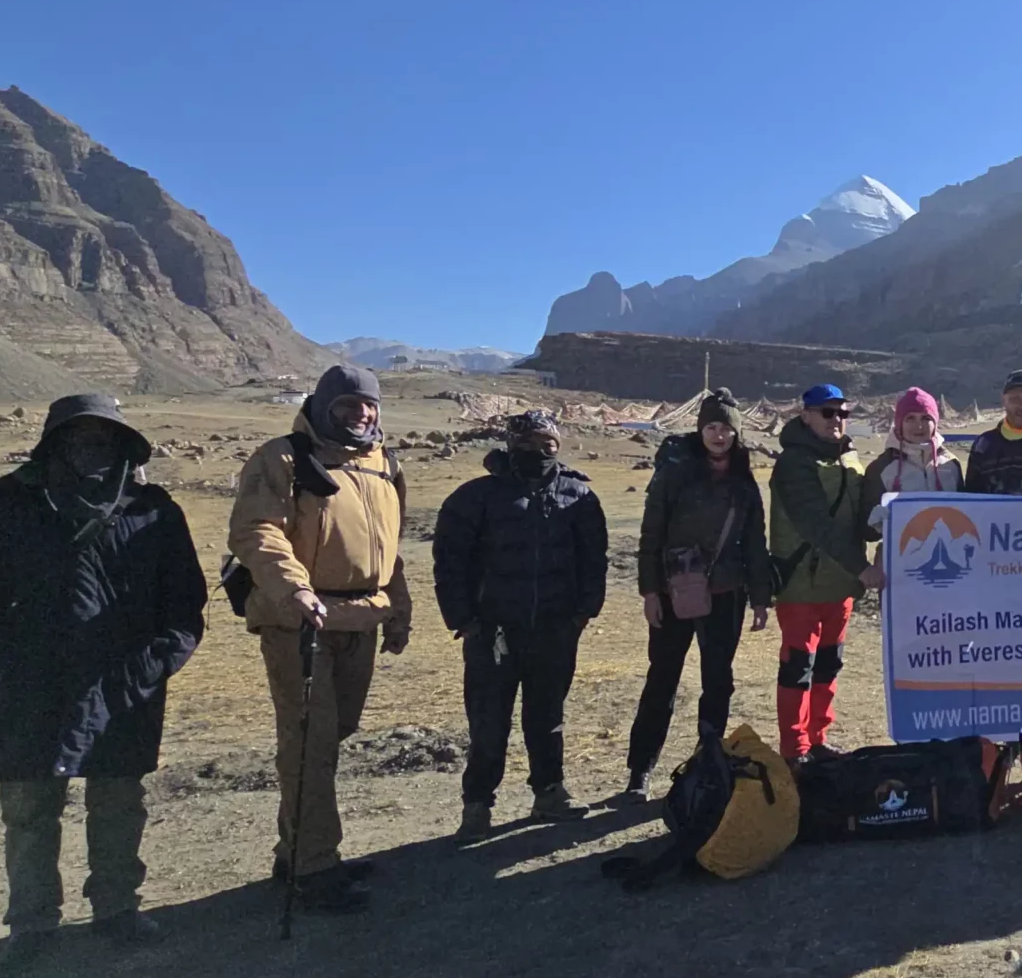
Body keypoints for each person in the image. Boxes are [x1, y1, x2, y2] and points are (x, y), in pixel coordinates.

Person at [0, 394, 206, 973]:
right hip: (27, 687)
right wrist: (2, 664)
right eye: (77, 440)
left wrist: (151, 668)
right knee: (28, 808)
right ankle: (31, 924)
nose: (90, 451)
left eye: (103, 439)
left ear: (123, 446)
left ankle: (117, 908)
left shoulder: (153, 513)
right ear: (54, 445)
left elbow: (184, 606)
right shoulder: (3, 513)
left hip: (121, 687)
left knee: (119, 802)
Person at [227, 364, 411, 913]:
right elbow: (256, 531)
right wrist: (294, 589)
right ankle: (312, 867)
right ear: (322, 406)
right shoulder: (282, 458)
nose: (360, 413)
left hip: (361, 619)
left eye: (368, 404)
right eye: (347, 404)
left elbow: (390, 549)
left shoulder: (385, 464)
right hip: (301, 622)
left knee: (333, 735)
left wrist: (398, 611)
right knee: (310, 741)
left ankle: (298, 850)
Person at [432, 410, 608, 842]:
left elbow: (594, 560)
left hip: (555, 629)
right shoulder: (475, 497)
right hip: (491, 632)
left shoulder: (578, 496)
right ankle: (477, 805)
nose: (539, 452)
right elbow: (450, 563)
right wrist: (464, 620)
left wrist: (584, 613)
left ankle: (549, 792)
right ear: (510, 447)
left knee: (547, 716)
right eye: (528, 444)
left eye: (548, 444)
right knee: (488, 722)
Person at [631, 388, 772, 796]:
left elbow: (755, 543)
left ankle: (707, 762)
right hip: (674, 592)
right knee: (662, 679)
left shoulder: (744, 482)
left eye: (726, 428)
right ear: (700, 429)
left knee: (718, 680)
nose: (719, 435)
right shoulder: (674, 474)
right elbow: (651, 534)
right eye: (711, 427)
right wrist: (650, 591)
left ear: (736, 433)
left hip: (726, 595)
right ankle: (639, 770)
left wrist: (760, 597)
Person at [770, 383, 873, 760]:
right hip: (802, 584)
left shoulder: (848, 457)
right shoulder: (794, 463)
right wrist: (862, 568)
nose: (836, 420)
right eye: (827, 413)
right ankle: (794, 749)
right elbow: (815, 524)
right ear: (806, 415)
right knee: (798, 666)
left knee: (829, 664)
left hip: (839, 585)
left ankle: (817, 738)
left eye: (843, 413)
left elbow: (861, 516)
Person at [861, 386, 965, 530]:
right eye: (910, 418)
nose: (919, 426)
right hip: (902, 544)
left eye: (926, 418)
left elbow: (964, 514)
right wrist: (875, 525)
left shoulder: (951, 464)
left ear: (935, 423)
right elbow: (866, 530)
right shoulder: (881, 468)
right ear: (899, 424)